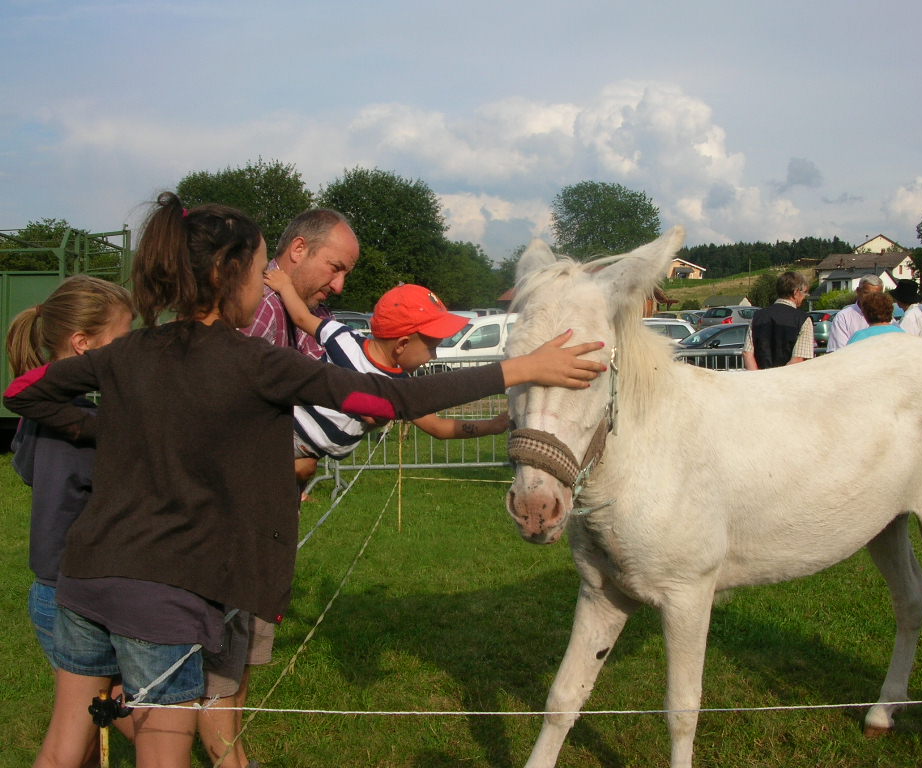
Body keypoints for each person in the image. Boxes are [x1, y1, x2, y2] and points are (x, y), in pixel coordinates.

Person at [3, 192, 604, 768]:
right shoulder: (256, 362)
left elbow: (22, 392)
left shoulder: (126, 352)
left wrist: (103, 428)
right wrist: (520, 368)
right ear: (228, 275)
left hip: (80, 582)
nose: (269, 282)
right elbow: (389, 397)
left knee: (61, 750)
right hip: (160, 592)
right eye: (262, 268)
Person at [209, 208, 360, 767]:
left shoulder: (296, 314)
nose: (339, 284)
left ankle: (223, 749)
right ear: (297, 249)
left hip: (263, 518)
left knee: (239, 661)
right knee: (219, 664)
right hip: (234, 526)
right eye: (335, 267)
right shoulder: (261, 314)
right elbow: (231, 424)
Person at [6, 275, 135, 768]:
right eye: (123, 339)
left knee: (86, 730)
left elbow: (23, 469)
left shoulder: (39, 413)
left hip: (56, 588)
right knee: (94, 734)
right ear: (84, 345)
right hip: (73, 593)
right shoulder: (73, 426)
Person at [264, 273, 510, 462]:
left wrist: (493, 425)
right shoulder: (399, 389)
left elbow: (301, 318)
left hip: (305, 450)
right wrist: (492, 426)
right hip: (285, 434)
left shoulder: (343, 336)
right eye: (431, 348)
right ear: (402, 344)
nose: (433, 356)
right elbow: (439, 428)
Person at [741, 271, 814, 370]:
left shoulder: (758, 316)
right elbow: (798, 359)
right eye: (805, 292)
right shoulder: (803, 320)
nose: (805, 296)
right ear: (796, 292)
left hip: (760, 380)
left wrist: (757, 378)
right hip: (787, 382)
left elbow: (747, 354)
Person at [826, 274, 885, 351]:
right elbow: (838, 351)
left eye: (876, 295)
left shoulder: (886, 317)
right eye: (867, 293)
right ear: (858, 291)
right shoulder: (843, 317)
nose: (872, 298)